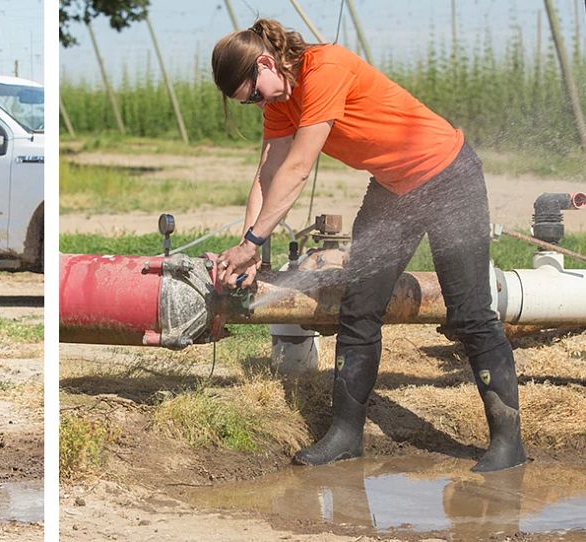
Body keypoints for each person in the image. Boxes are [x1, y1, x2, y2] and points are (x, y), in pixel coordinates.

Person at [209, 20, 526, 472]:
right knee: (360, 308)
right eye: (251, 102)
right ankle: (345, 435)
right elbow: (268, 172)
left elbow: (298, 168)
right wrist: (248, 245)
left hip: (448, 177)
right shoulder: (282, 97)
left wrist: (255, 240)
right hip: (393, 190)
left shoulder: (325, 68)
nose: (260, 103)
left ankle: (508, 445)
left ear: (266, 62)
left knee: (471, 312)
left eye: (255, 94)